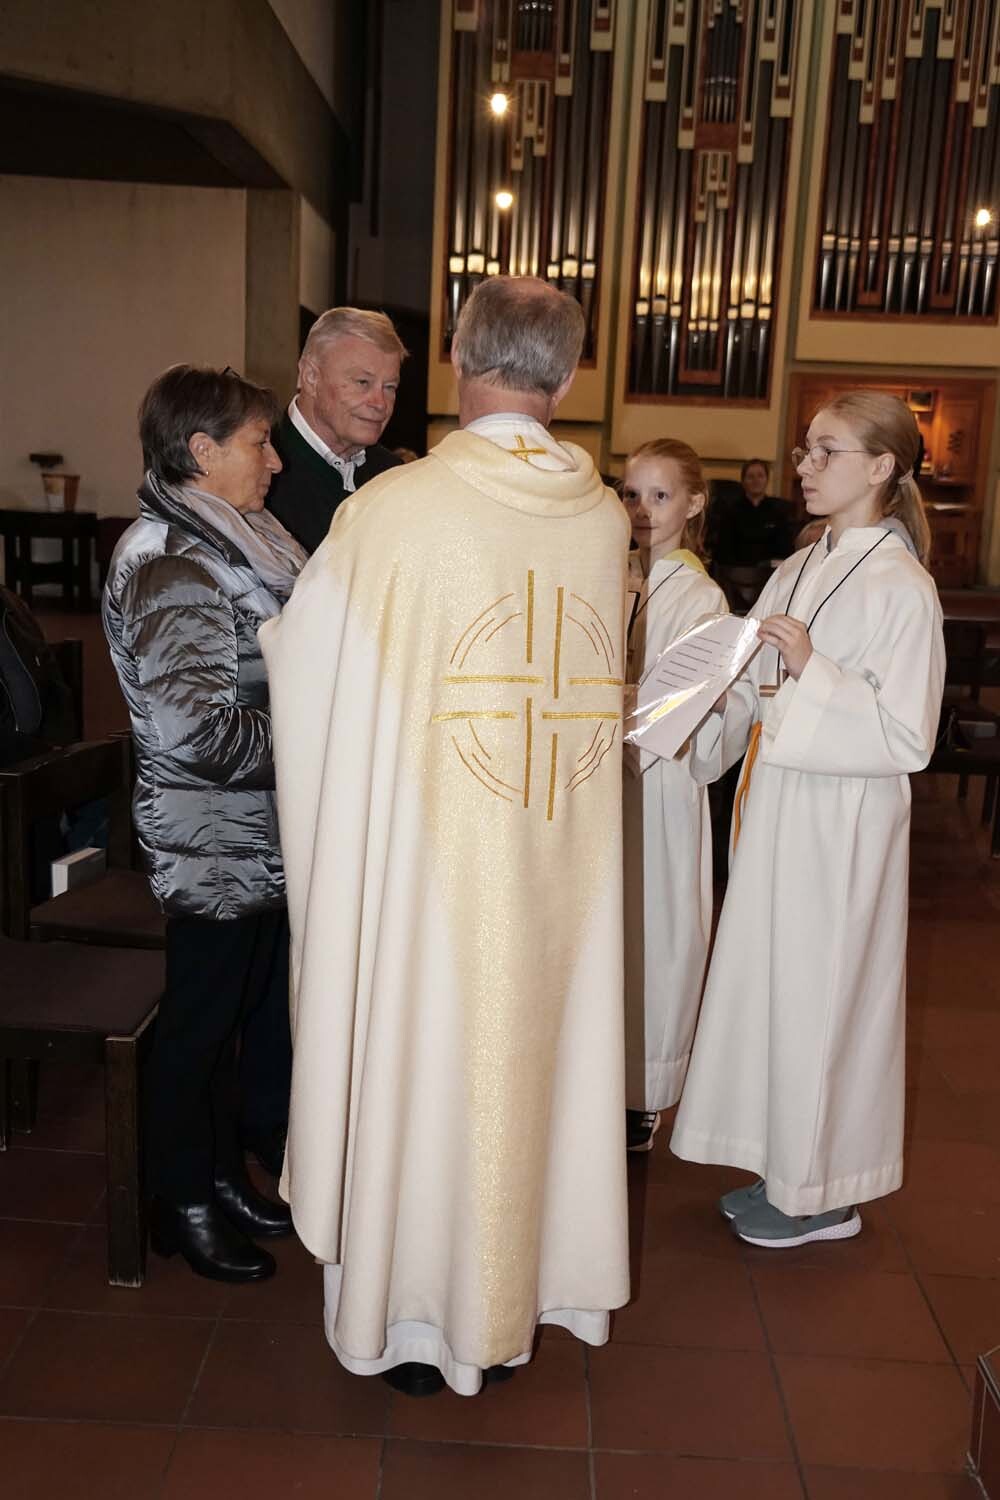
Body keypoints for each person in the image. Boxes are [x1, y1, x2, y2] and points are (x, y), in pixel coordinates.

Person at [260, 275, 631, 1397]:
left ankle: (407, 1320)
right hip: (555, 864)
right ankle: (510, 1307)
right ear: (567, 377)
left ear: (458, 357)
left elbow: (311, 664)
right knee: (533, 1068)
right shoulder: (604, 517)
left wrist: (278, 639)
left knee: (419, 1063)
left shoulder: (396, 510)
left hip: (427, 868)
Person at [671, 391, 945, 1248]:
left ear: (883, 466)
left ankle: (822, 1193)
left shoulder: (903, 586)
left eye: (828, 452)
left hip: (841, 823)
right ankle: (781, 1162)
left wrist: (810, 669)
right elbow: (754, 689)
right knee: (774, 991)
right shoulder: (796, 566)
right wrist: (684, 716)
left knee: (825, 998)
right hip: (777, 808)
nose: (805, 467)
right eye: (805, 450)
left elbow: (908, 734)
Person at [103, 365, 307, 1283]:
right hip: (210, 839)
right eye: (259, 442)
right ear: (201, 452)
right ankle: (180, 1199)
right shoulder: (171, 561)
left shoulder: (232, 536)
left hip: (255, 831)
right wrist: (324, 738)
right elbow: (199, 734)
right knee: (197, 1031)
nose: (275, 461)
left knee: (234, 1022)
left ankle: (221, 1177)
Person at [621, 440, 728, 1154]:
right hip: (603, 784)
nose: (643, 510)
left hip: (656, 788)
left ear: (694, 504)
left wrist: (603, 707)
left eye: (660, 496)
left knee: (654, 933)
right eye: (631, 494)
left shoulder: (700, 597)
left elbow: (682, 708)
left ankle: (644, 1095)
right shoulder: (616, 576)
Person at [265, 307, 407, 554]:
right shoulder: (261, 471)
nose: (380, 404)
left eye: (389, 387)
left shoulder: (393, 475)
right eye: (362, 382)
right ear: (310, 377)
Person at [706, 458, 797, 567]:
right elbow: (724, 551)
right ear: (743, 481)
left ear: (767, 480)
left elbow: (785, 549)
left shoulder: (778, 512)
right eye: (750, 477)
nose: (756, 480)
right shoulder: (731, 512)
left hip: (769, 571)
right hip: (739, 571)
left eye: (760, 476)